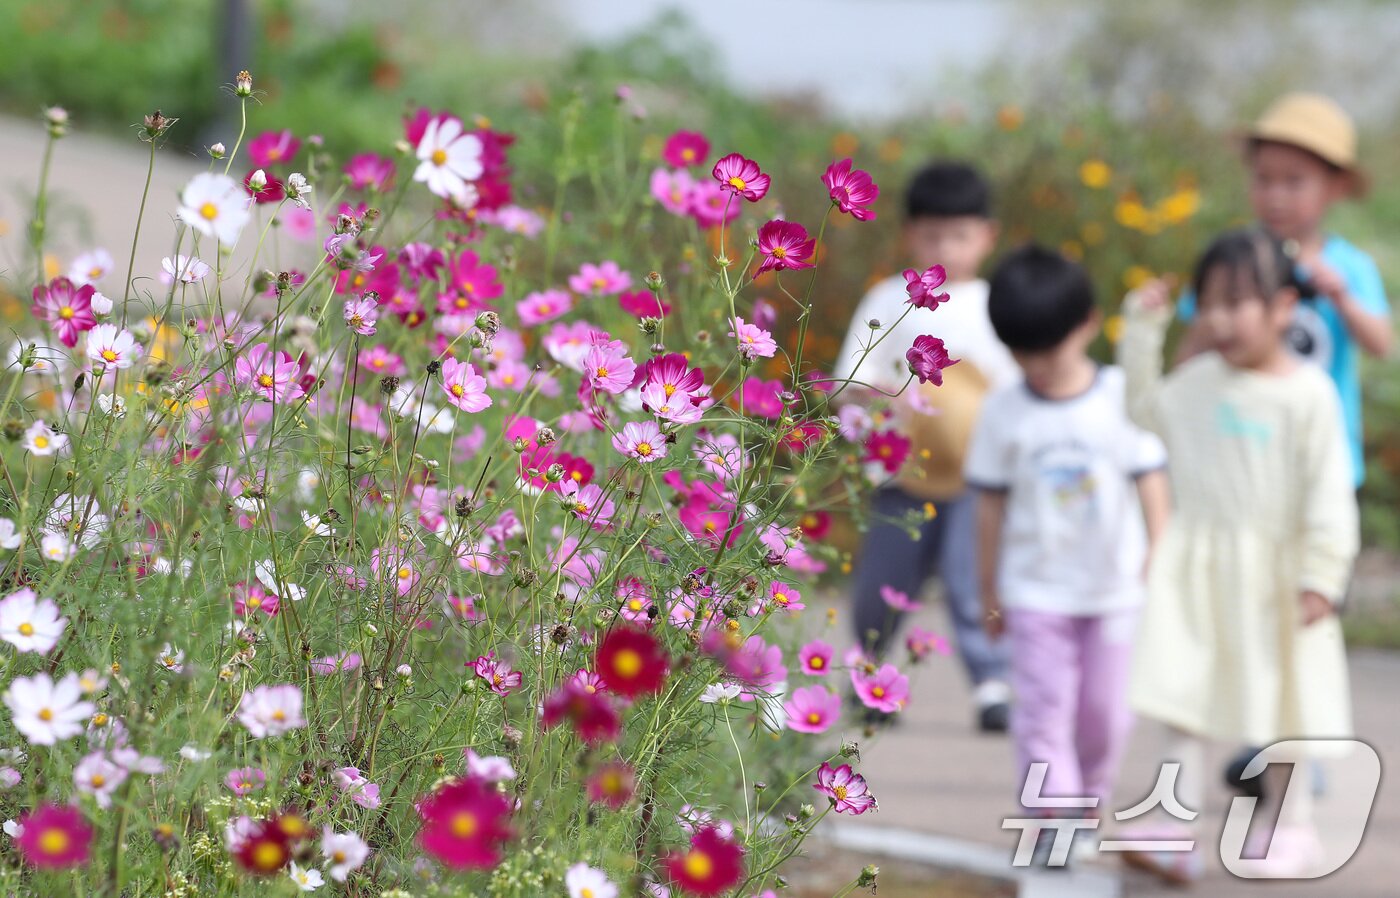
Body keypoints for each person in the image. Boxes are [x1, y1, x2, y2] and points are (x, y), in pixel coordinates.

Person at [1115, 229, 1359, 884]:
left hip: (1280, 578)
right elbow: (1143, 409)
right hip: (1200, 568)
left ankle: (1290, 823)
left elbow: (1329, 494)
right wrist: (1142, 331)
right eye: (1208, 303)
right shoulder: (1196, 384)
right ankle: (1175, 823)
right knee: (1180, 695)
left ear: (1282, 307)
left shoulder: (1308, 395)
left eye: (1237, 302)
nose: (1219, 319)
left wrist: (1323, 575)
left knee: (1285, 705)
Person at [963, 245, 1169, 864]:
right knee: (1044, 712)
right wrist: (988, 589)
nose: (1037, 367)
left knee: (1105, 715)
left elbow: (1150, 475)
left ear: (1086, 325)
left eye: (1047, 352)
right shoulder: (1003, 411)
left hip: (1112, 590)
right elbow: (990, 507)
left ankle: (1088, 798)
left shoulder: (1119, 396)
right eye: (1021, 354)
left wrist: (1161, 550)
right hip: (1036, 593)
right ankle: (1054, 814)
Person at [832, 162, 1019, 731]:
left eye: (959, 236)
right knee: (882, 585)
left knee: (974, 581)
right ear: (910, 233)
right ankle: (869, 676)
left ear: (987, 236)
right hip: (900, 475)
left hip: (975, 477)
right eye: (933, 235)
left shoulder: (997, 305)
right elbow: (850, 384)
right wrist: (880, 399)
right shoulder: (890, 300)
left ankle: (992, 682)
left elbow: (1016, 389)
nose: (946, 248)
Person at [1172, 92, 1392, 488]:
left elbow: (1381, 344)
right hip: (1239, 448)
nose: (1275, 196)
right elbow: (1192, 349)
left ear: (1336, 186)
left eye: (1294, 182)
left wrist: (1342, 299)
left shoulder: (1350, 267)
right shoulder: (1232, 262)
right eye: (1263, 179)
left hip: (1321, 456)